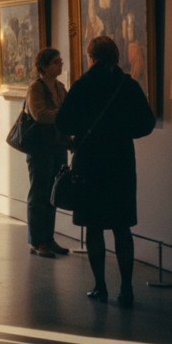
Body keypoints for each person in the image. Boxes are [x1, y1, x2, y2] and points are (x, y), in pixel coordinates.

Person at [55, 35, 155, 308]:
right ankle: (126, 288)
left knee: (94, 227)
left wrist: (82, 133)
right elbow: (146, 124)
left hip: (90, 163)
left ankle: (100, 286)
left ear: (92, 57)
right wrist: (121, 133)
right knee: (122, 227)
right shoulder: (128, 85)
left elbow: (62, 122)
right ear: (116, 56)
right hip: (121, 162)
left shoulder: (83, 85)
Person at [24, 48, 70, 259]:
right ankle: (37, 241)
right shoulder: (36, 87)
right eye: (55, 62)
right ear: (43, 66)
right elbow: (40, 115)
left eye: (60, 61)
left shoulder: (60, 87)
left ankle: (48, 239)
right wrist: (63, 115)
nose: (60, 65)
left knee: (54, 194)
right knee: (39, 194)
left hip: (58, 145)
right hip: (40, 147)